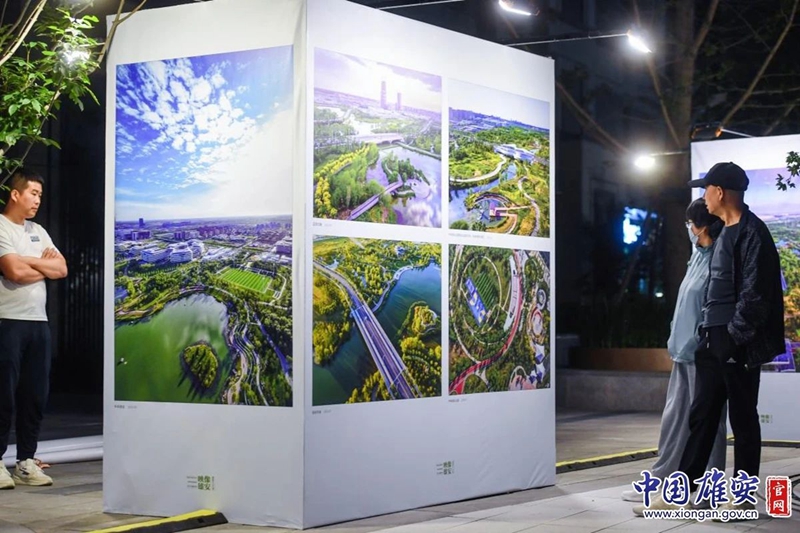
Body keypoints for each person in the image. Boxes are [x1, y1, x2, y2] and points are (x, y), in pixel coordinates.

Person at [640, 161, 784, 514]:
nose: (703, 197)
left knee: (743, 420)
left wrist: (732, 338)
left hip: (738, 342)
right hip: (712, 339)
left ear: (720, 192)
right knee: (702, 416)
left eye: (706, 189)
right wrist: (708, 333)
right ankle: (680, 493)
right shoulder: (724, 234)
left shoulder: (754, 233)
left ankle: (743, 498)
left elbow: (756, 296)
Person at [622, 198, 728, 503]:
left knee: (708, 423)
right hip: (682, 353)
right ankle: (661, 479)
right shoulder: (697, 257)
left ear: (702, 227)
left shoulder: (719, 260)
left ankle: (709, 487)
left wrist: (699, 341)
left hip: (703, 356)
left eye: (690, 223)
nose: (688, 228)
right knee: (674, 420)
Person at [0, 169, 68, 489]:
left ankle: (26, 461)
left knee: (35, 395)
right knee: (3, 394)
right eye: (33, 193)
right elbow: (13, 271)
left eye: (40, 195)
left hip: (38, 323)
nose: (38, 200)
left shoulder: (38, 231)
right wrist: (42, 265)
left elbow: (62, 268)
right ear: (15, 194)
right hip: (7, 321)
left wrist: (29, 263)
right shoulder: (1, 226)